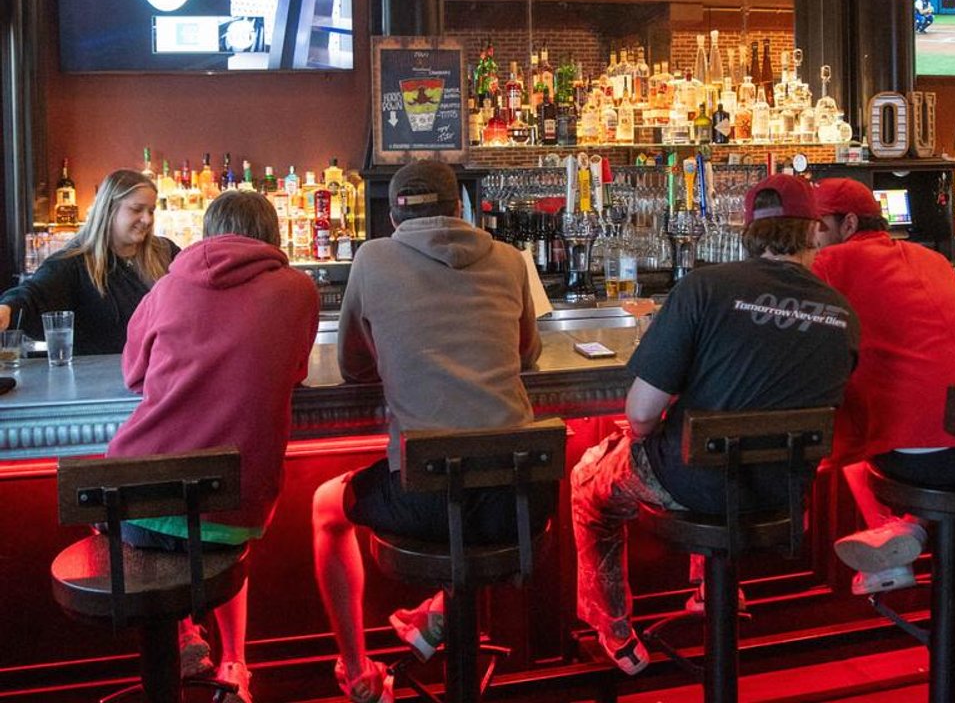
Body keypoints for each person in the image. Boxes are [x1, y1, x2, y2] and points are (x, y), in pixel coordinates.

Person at [571, 174, 859, 675]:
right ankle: (714, 589)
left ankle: (614, 631)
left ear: (746, 230)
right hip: (783, 494)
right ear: (814, 232)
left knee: (588, 481)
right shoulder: (843, 311)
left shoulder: (706, 287)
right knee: (721, 451)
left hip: (695, 483)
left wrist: (638, 439)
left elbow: (640, 414)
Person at [312, 160, 549, 703]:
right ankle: (438, 616)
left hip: (427, 495)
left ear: (392, 213)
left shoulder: (372, 258)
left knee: (328, 505)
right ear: (460, 207)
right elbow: (528, 353)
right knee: (469, 484)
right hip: (521, 499)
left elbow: (352, 368)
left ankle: (356, 672)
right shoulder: (511, 260)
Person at [105, 190, 320, 703]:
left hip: (135, 505)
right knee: (217, 539)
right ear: (272, 235)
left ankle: (179, 633)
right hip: (234, 512)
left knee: (160, 528)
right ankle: (232, 662)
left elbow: (134, 373)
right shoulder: (299, 290)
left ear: (207, 232)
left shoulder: (166, 286)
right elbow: (296, 372)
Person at [811, 178, 955, 594]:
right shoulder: (931, 258)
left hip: (930, 461)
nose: (811, 237)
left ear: (848, 223)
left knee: (845, 430)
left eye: (818, 226)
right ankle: (907, 531)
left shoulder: (829, 264)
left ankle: (888, 539)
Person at [0, 169, 178, 354]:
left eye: (151, 211)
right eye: (136, 209)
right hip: (99, 377)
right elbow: (34, 294)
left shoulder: (165, 251)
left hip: (160, 373)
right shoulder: (74, 263)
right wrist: (7, 308)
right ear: (108, 209)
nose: (147, 219)